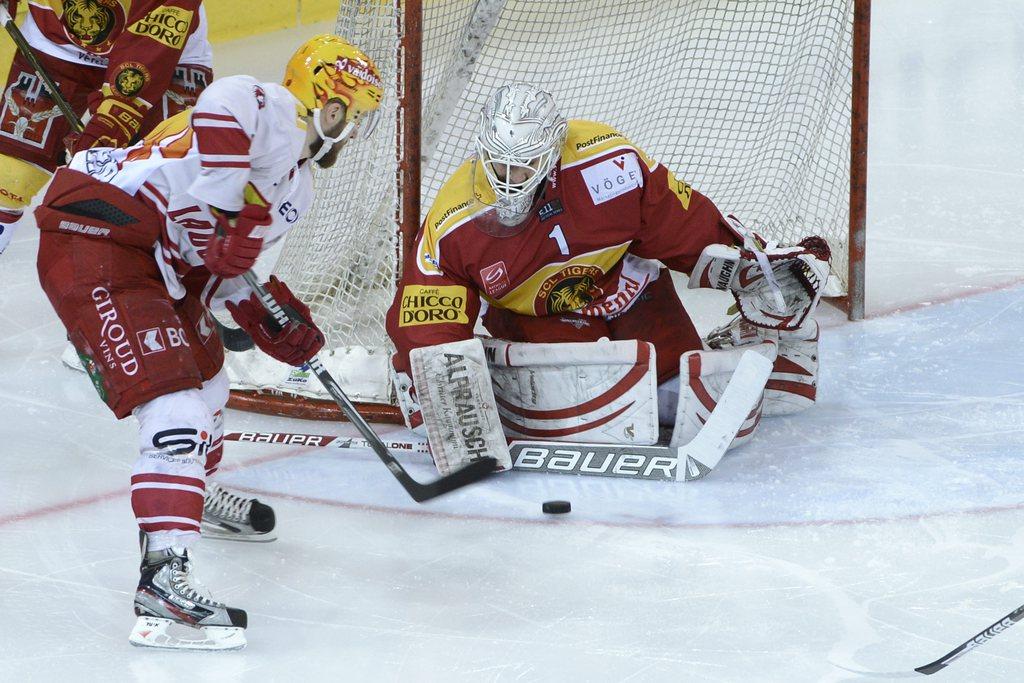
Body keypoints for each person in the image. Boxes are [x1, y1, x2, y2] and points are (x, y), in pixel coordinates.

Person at [33, 34, 383, 650]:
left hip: (160, 264)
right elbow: (219, 102)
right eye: (349, 112)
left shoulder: (295, 190)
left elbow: (229, 281)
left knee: (213, 381)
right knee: (176, 407)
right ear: (322, 100)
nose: (352, 130)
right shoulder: (271, 111)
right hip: (97, 236)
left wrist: (274, 319)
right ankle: (162, 585)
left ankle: (192, 490)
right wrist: (226, 209)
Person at [385, 82, 831, 475]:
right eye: (498, 164)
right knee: (586, 407)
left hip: (630, 292)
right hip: (540, 318)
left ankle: (753, 342)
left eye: (524, 165)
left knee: (682, 402)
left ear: (553, 150)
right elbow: (427, 310)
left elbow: (678, 221)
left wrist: (751, 268)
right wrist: (433, 383)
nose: (509, 179)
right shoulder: (455, 219)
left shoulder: (606, 161)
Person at [0, 0, 213, 255]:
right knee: (10, 175)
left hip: (168, 52)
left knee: (169, 178)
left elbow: (146, 56)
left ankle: (185, 275)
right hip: (55, 45)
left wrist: (109, 125)